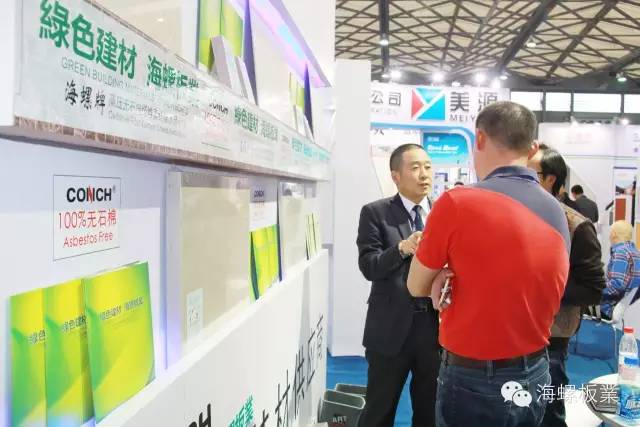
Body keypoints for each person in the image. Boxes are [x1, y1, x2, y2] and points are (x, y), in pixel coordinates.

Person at [407, 101, 570, 427]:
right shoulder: (556, 212)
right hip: (536, 370)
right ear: (532, 148)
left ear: (479, 138)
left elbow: (415, 285)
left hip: (472, 376)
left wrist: (441, 275)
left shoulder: (456, 202)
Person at [356, 143, 439, 427]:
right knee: (379, 411)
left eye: (428, 167)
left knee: (430, 413)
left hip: (434, 330)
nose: (424, 174)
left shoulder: (443, 213)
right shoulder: (375, 213)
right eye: (415, 168)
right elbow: (369, 266)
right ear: (395, 176)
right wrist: (402, 248)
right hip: (390, 328)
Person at [529, 145, 605, 427]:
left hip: (552, 336)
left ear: (550, 179)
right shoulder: (512, 215)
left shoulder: (576, 225)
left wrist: (539, 288)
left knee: (549, 409)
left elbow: (593, 288)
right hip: (509, 334)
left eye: (529, 173)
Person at [599, 220, 640, 320]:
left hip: (609, 309)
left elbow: (617, 284)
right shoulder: (636, 253)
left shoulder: (621, 252)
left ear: (613, 234)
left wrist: (595, 291)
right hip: (625, 309)